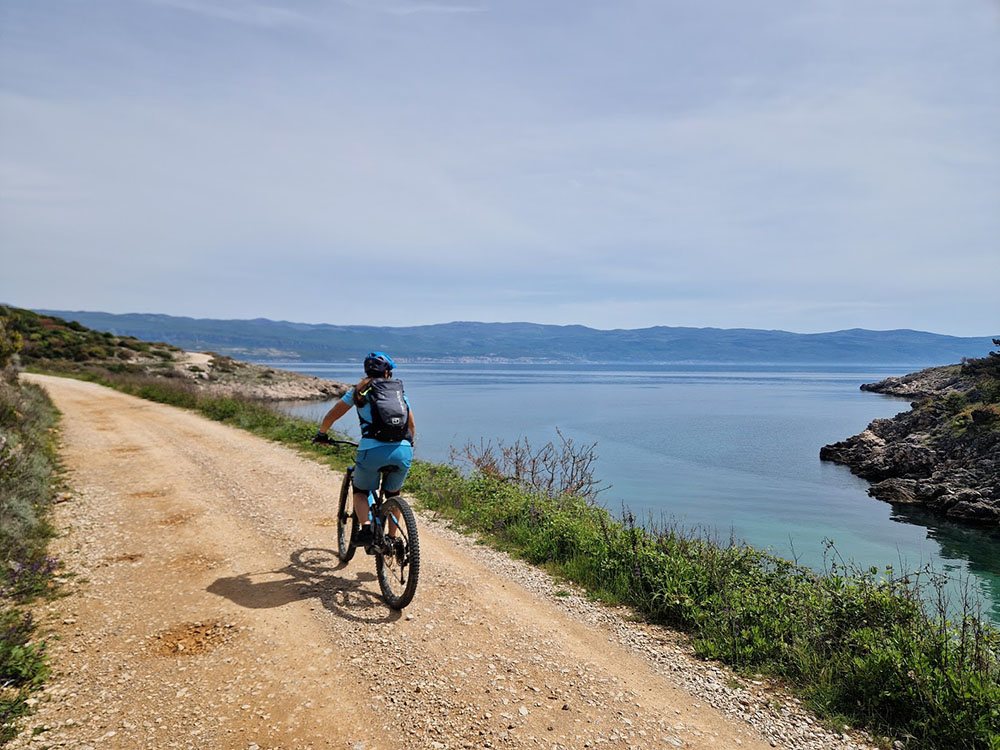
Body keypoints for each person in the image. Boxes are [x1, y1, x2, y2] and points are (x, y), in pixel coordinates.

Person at [312, 352, 415, 548]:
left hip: (371, 451)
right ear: (387, 373)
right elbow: (411, 425)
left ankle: (366, 529)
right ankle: (393, 540)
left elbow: (333, 415)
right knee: (394, 495)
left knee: (360, 490)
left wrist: (322, 434)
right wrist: (409, 447)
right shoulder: (398, 394)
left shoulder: (358, 392)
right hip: (402, 450)